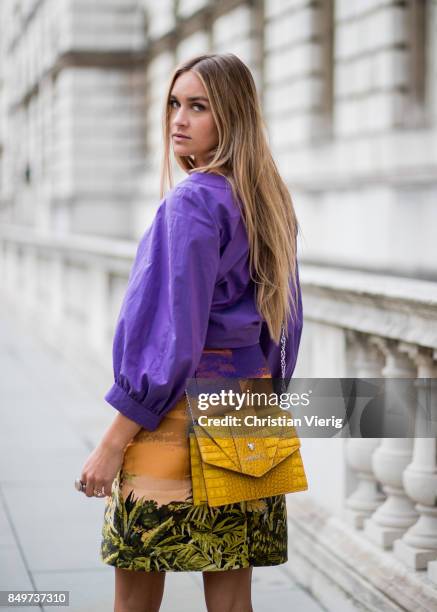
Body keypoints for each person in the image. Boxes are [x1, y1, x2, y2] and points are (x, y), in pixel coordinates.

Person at [76, 53, 304, 612]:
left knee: (135, 592)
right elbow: (288, 323)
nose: (179, 118)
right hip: (249, 415)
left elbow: (170, 337)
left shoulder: (194, 201)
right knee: (231, 598)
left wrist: (111, 444)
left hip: (180, 418)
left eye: (197, 106)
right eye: (175, 103)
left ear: (231, 116)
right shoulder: (267, 199)